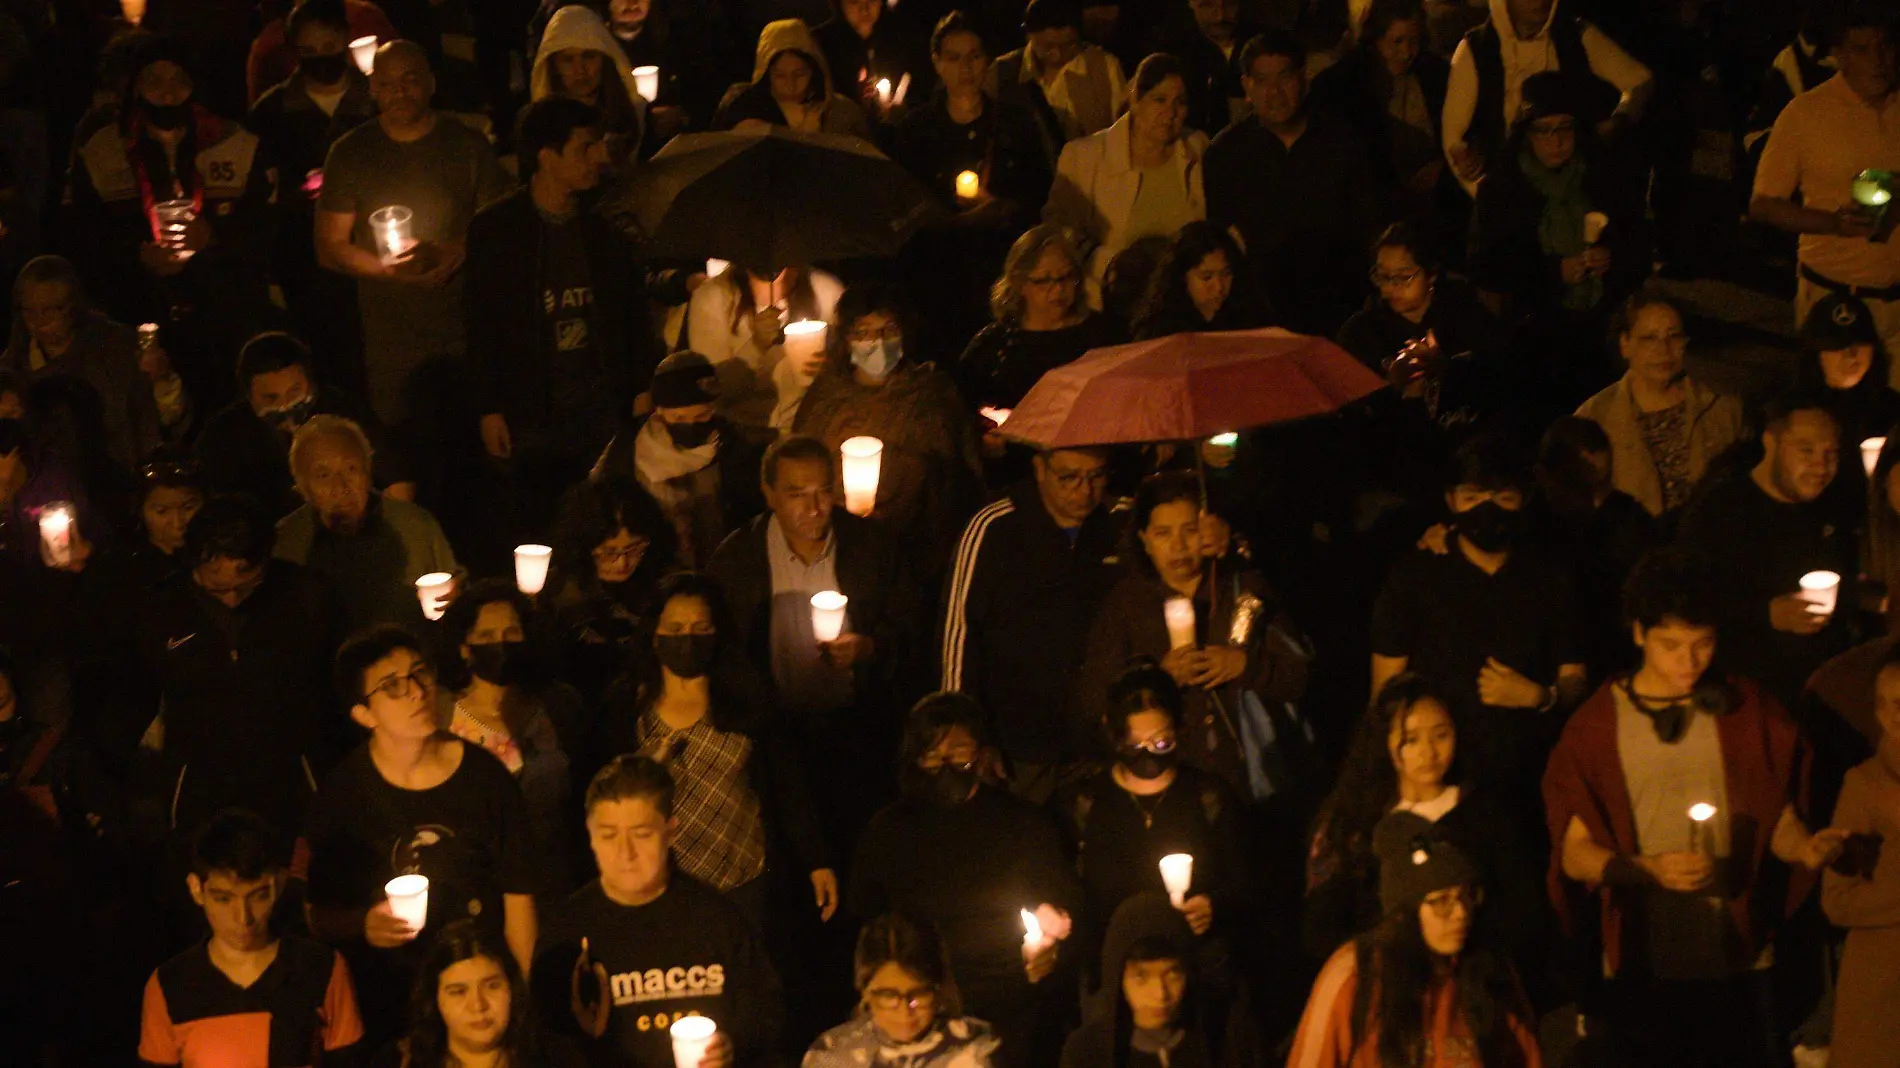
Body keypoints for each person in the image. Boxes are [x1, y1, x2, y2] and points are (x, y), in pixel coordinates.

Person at [1543, 547, 1846, 1068]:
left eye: (1702, 645)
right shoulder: (1594, 730)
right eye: (1671, 646)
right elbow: (1575, 856)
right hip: (1644, 969)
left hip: (1739, 960)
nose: (1688, 663)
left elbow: (1779, 821)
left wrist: (1807, 848)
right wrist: (1649, 871)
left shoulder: (1748, 712)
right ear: (1638, 633)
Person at [306, 625, 540, 1047]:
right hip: (393, 1008)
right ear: (364, 713)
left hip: (480, 995)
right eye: (392, 686)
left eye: (420, 674)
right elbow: (317, 915)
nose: (416, 691)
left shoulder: (484, 778)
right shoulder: (344, 795)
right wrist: (364, 924)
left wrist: (518, 1001)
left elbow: (519, 897)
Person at [850, 693, 1083, 1068]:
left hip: (1010, 1002)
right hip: (920, 1005)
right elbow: (867, 920)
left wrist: (1052, 945)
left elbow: (1066, 909)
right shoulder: (890, 831)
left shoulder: (1024, 824)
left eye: (958, 752)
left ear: (982, 753)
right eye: (931, 754)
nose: (945, 766)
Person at [591, 571, 834, 928]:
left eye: (700, 629)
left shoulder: (747, 698)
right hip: (657, 887)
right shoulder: (626, 707)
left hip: (743, 883)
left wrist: (817, 860)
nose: (687, 639)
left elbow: (788, 787)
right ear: (654, 635)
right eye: (675, 629)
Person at [707, 434, 917, 847]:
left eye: (823, 491)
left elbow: (909, 620)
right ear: (768, 494)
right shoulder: (737, 560)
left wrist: (869, 647)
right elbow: (723, 655)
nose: (815, 508)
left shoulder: (869, 546)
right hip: (775, 739)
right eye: (796, 494)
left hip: (856, 732)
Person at [468, 96, 659, 543]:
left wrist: (639, 389)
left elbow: (631, 315)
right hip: (532, 409)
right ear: (546, 156)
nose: (598, 157)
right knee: (538, 528)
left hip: (599, 406)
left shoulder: (605, 229)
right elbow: (481, 322)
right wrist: (488, 406)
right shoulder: (497, 231)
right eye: (584, 147)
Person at [64, 36, 277, 418]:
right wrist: (136, 253)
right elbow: (80, 234)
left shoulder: (237, 144)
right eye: (154, 81)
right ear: (135, 86)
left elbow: (268, 230)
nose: (166, 93)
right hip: (136, 316)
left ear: (195, 86)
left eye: (178, 80)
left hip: (222, 320)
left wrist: (214, 237)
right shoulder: (102, 150)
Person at [1370, 435, 1588, 799]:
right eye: (1472, 497)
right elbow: (1385, 693)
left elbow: (1575, 680)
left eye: (1503, 498)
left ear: (1523, 500)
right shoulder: (1413, 579)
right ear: (1452, 500)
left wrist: (1540, 697)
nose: (1487, 511)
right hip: (1443, 777)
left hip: (1533, 774)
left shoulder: (1551, 579)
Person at [534, 754, 784, 1068]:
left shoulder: (715, 917)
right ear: (590, 836)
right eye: (609, 835)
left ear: (670, 832)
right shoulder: (567, 933)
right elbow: (545, 1040)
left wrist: (732, 1044)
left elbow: (765, 1011)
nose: (625, 853)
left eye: (641, 834)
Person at [315, 39, 514, 432]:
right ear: (373, 90)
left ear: (431, 83)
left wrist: (453, 251)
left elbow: (504, 226)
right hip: (392, 343)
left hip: (466, 331)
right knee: (405, 444)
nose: (399, 92)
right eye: (387, 84)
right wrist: (392, 272)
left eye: (410, 80)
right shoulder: (351, 153)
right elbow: (329, 247)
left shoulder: (466, 145)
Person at [1078, 471, 1311, 796]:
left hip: (1250, 780)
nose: (1178, 546)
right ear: (1144, 539)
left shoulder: (1241, 588)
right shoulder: (1126, 605)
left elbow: (1299, 675)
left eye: (1190, 531)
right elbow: (1094, 702)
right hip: (1166, 782)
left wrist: (1244, 665)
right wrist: (1159, 680)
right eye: (1163, 533)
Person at [1302, 673, 1541, 976]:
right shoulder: (1354, 823)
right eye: (1411, 740)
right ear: (1384, 741)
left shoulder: (1485, 813)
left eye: (1441, 735)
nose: (1428, 753)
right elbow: (1323, 928)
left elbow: (1522, 912)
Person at [134, 494, 334, 840]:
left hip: (290, 778)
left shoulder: (304, 596)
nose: (231, 598)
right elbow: (135, 695)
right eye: (217, 586)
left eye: (245, 584)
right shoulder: (162, 610)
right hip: (200, 784)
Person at [1286, 815, 1543, 1067]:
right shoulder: (1355, 976)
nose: (1461, 913)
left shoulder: (1487, 973)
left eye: (1467, 896)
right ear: (1404, 913)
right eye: (1441, 902)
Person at [940, 444, 1121, 799]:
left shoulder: (1120, 521)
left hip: (1100, 739)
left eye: (1096, 476)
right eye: (1068, 477)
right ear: (1040, 468)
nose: (1084, 491)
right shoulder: (995, 527)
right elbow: (958, 634)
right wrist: (966, 731)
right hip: (1017, 743)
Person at [1467, 70, 1648, 405]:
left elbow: (1637, 243)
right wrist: (1553, 272)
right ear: (1527, 133)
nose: (1556, 140)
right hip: (1533, 341)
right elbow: (1487, 266)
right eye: (1543, 130)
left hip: (1598, 337)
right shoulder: (1502, 189)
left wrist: (1611, 256)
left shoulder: (1601, 177)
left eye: (1564, 128)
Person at [139, 809, 365, 1068]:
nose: (243, 918)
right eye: (223, 899)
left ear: (279, 884)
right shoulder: (170, 985)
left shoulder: (321, 968)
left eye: (257, 896)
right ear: (195, 889)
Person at [1057, 662, 1250, 958]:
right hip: (1112, 964)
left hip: (1193, 962)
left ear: (1180, 729)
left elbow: (1244, 881)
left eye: (1161, 742)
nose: (1148, 754)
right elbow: (1064, 889)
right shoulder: (1084, 802)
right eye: (1134, 744)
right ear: (1115, 736)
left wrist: (1213, 905)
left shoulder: (1208, 796)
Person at [1676, 392, 1855, 709]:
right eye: (1806, 451)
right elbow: (1686, 599)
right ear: (1771, 443)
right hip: (1748, 696)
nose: (1821, 466)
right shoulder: (1719, 512)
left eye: (1831, 454)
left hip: (1824, 686)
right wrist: (1765, 613)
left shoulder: (1832, 506)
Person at [793, 282, 984, 579]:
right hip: (836, 546)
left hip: (913, 553)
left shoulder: (931, 394)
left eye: (889, 330)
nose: (877, 342)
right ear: (846, 339)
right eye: (863, 332)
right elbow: (800, 466)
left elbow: (956, 478)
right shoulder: (827, 395)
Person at [1751, 9, 1900, 375]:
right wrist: (1834, 223)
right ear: (1841, 55)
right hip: (1833, 298)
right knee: (1834, 414)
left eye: (1884, 47)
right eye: (1862, 49)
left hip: (1897, 307)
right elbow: (1764, 205)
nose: (1877, 61)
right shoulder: (1806, 113)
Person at [891, 13, 1054, 342]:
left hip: (1001, 271)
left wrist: (1001, 208)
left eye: (974, 56)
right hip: (938, 279)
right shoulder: (915, 131)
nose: (965, 68)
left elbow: (1040, 195)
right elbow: (902, 206)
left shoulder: (1014, 125)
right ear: (937, 63)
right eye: (953, 58)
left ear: (987, 60)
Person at [1204, 31, 1378, 336]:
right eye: (1262, 81)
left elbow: (1366, 224)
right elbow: (1223, 239)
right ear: (1247, 86)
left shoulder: (1342, 142)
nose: (1275, 92)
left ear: (1304, 79)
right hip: (1259, 315)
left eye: (1284, 79)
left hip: (1338, 307)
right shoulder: (1225, 154)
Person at [247, 0, 378, 386]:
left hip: (370, 249)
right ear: (294, 52)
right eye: (310, 50)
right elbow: (258, 194)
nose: (322, 58)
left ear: (345, 40)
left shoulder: (375, 99)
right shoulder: (271, 111)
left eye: (329, 45)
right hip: (302, 258)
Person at [438, 579, 577, 893]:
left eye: (511, 633)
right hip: (477, 886)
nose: (500, 644)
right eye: (486, 636)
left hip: (553, 881)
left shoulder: (559, 707)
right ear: (464, 647)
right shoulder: (439, 716)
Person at [1045, 53, 1206, 312]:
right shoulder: (1085, 157)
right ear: (1135, 99)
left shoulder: (1196, 148)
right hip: (1110, 305)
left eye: (1180, 103)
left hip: (1181, 306)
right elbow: (1060, 231)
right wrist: (1111, 264)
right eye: (1159, 100)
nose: (1170, 113)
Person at [273, 414, 460, 632]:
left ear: (368, 471)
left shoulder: (415, 525)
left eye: (351, 469)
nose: (341, 486)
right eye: (323, 475)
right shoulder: (288, 542)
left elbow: (455, 587)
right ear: (302, 488)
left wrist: (454, 598)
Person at [1440, 0, 1652, 189]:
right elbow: (1454, 136)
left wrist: (1618, 121)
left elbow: (1639, 80)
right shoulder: (1476, 47)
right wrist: (1483, 192)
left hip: (1574, 184)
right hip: (1507, 186)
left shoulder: (1575, 35)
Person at [1574, 289, 1745, 519]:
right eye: (1649, 338)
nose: (1664, 350)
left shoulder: (1722, 407)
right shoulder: (1594, 418)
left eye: (1673, 336)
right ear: (1625, 344)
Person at [196, 330, 404, 518]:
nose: (285, 406)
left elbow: (396, 478)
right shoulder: (223, 436)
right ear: (249, 397)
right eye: (271, 398)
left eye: (295, 391)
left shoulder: (343, 411)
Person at [594, 352, 770, 570]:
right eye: (678, 418)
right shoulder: (627, 449)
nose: (691, 426)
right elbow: (596, 509)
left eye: (701, 416)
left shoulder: (736, 449)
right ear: (659, 412)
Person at [3, 254, 177, 471]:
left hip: (122, 479)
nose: (40, 320)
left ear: (73, 305)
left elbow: (166, 417)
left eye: (51, 308)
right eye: (30, 310)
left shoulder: (118, 349)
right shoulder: (14, 367)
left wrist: (162, 381)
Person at [1335, 222, 1508, 435]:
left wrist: (1447, 369)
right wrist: (1391, 384)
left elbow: (1500, 381)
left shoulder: (1463, 313)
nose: (1392, 285)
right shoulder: (1360, 332)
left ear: (1431, 274)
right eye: (1383, 276)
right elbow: (1350, 414)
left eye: (1404, 276)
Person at [1058, 892, 1263, 1068]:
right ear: (1117, 977)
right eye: (1141, 976)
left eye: (1172, 974)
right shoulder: (1087, 1054)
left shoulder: (1226, 1034)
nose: (1160, 994)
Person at [1524, 417, 1661, 680]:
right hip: (1557, 650)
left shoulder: (1627, 514)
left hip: (1619, 647)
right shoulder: (1536, 518)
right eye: (1580, 457)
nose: (1591, 463)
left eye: (1596, 451)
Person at [1822, 645, 1900, 1068]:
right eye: (1884, 703)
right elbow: (1837, 900)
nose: (1894, 715)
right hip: (1886, 994)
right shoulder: (1866, 785)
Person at [954, 225, 1120, 419]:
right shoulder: (993, 346)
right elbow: (962, 410)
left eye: (1066, 277)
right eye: (1044, 280)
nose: (1058, 290)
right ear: (1020, 284)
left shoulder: (1101, 333)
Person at [544, 477, 679, 712]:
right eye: (608, 552)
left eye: (635, 548)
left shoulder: (665, 583)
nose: (622, 562)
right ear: (584, 545)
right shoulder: (559, 591)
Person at [379, 918, 585, 1068]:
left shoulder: (556, 1057)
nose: (478, 1005)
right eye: (458, 992)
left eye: (492, 986)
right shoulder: (402, 1062)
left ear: (512, 988)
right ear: (435, 1000)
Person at [1308, 0, 1450, 215]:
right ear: (1376, 39)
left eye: (1413, 41)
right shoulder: (1346, 83)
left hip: (1435, 197)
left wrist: (1442, 167)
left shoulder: (1435, 75)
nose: (1406, 52)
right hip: (1375, 201)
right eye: (1397, 41)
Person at [803, 913, 999, 1068]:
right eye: (889, 995)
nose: (905, 1011)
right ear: (864, 990)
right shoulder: (832, 1054)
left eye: (919, 994)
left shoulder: (977, 1045)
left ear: (939, 988)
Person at [684, 263, 844, 431]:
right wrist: (756, 347)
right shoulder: (712, 298)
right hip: (742, 429)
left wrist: (831, 365)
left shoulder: (826, 291)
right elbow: (713, 391)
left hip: (814, 421)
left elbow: (850, 365)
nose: (778, 278)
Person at [1793, 292, 1900, 529]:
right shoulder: (1792, 413)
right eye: (1837, 345)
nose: (1850, 355)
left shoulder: (1892, 411)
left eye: (1859, 344)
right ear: (1817, 353)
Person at [988, 0, 1128, 156]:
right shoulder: (1004, 71)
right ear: (1030, 36)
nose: (1058, 55)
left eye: (1068, 45)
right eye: (1048, 46)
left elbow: (1123, 131)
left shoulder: (1104, 68)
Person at [527, 6, 645, 172]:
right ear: (554, 66)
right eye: (568, 60)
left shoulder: (637, 114)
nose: (580, 70)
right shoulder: (536, 126)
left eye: (588, 56)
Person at [713, 19, 872, 137]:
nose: (791, 85)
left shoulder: (840, 113)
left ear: (813, 70)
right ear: (766, 74)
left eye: (799, 74)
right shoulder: (746, 108)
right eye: (780, 76)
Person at [1129, 221, 1270, 339]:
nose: (1219, 286)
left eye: (1226, 273)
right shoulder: (1160, 329)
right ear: (1182, 276)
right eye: (1207, 277)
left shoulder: (1249, 317)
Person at [813, 0, 931, 121]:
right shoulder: (821, 44)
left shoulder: (906, 37)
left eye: (872, 0)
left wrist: (906, 107)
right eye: (854, 2)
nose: (864, 10)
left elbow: (923, 83)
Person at [1162, 0, 1261, 139]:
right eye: (1208, 5)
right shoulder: (1173, 53)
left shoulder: (1264, 44)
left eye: (1229, 4)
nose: (1220, 16)